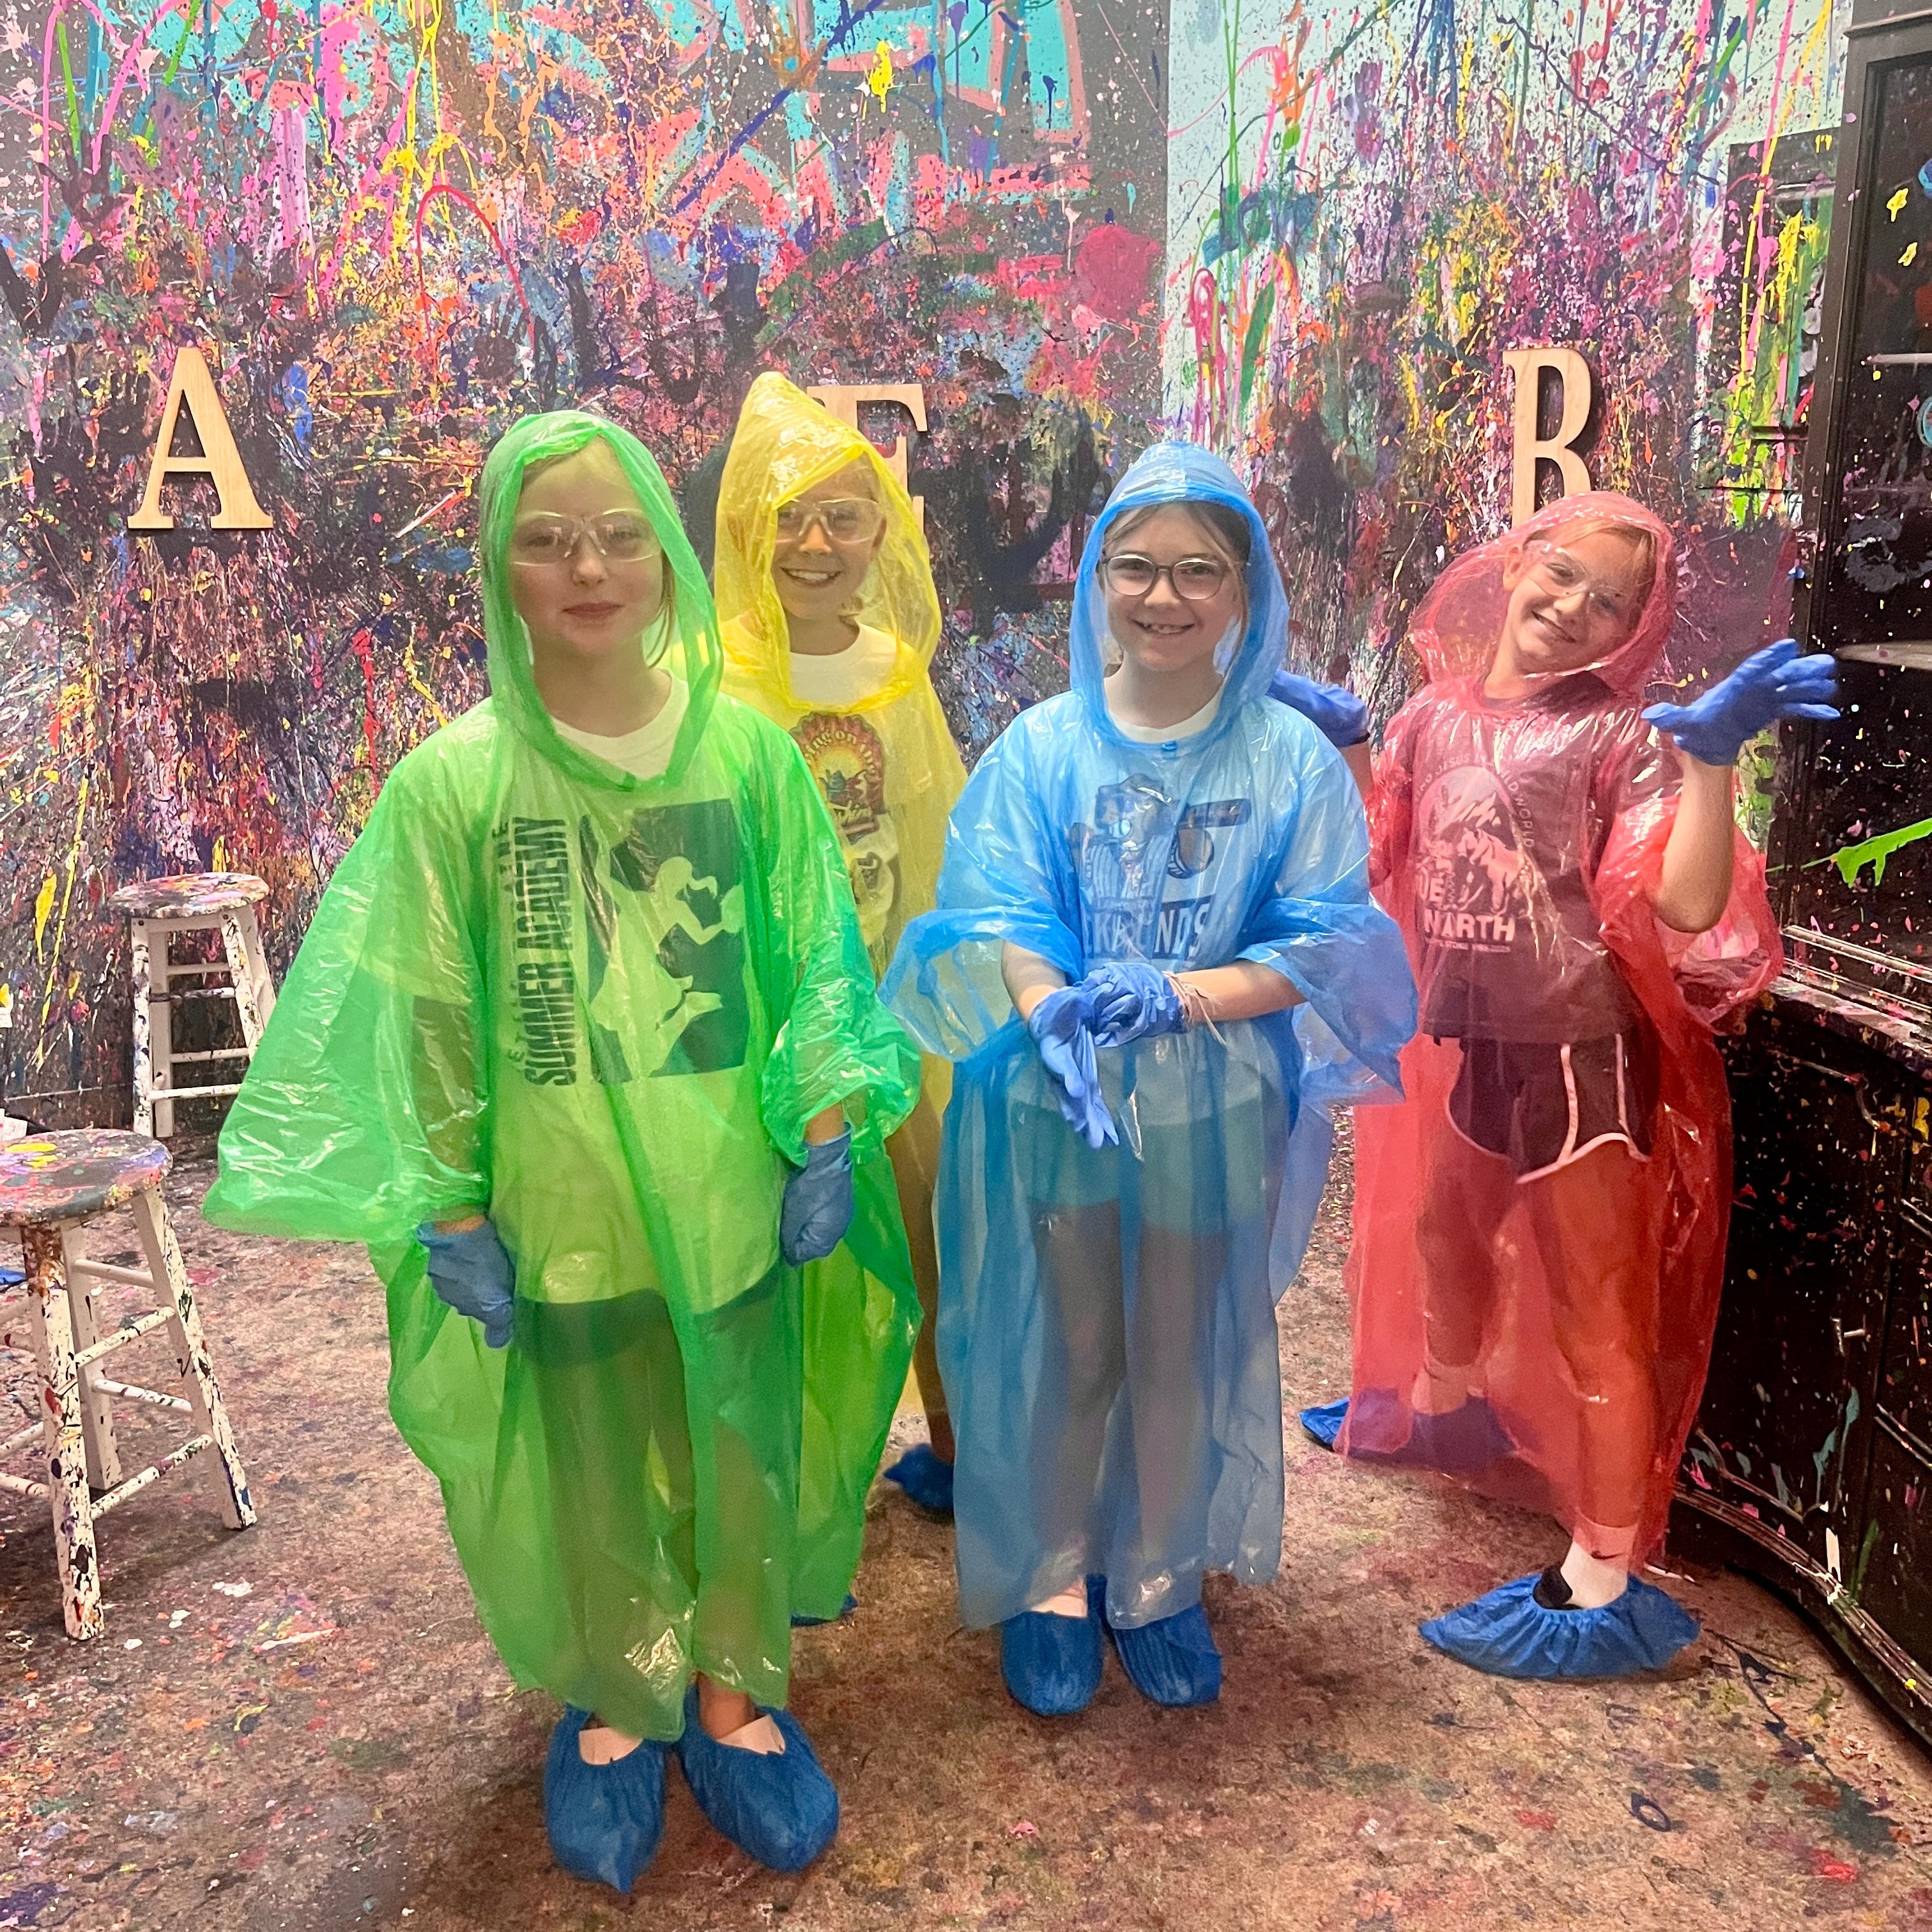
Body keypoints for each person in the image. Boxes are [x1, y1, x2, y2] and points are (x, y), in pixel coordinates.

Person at [203, 411, 921, 1889]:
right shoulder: (453, 787)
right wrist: (453, 1206)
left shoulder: (746, 756)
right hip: (563, 1210)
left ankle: (732, 1689)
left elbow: (813, 959)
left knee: (737, 1445)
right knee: (594, 1461)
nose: (588, 568)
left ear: (666, 557)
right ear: (497, 568)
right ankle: (617, 1693)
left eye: (616, 536)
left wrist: (824, 1133)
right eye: (546, 541)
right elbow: (433, 1017)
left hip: (730, 1195)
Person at [881, 442, 1414, 1715]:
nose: (1164, 596)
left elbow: (1326, 939)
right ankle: (1053, 1576)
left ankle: (1159, 1575)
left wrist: (1185, 995)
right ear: (1096, 579)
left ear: (1244, 590)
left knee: (1177, 1343)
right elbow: (1006, 906)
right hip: (1061, 1101)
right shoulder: (1041, 747)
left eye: (1198, 571)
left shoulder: (1285, 758)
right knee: (1074, 1346)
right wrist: (1049, 1009)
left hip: (1212, 1103)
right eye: (1136, 567)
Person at [1301, 491, 1837, 1678]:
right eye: (1562, 574)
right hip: (1476, 1043)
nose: (1573, 609)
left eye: (1611, 602)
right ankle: (1446, 1404)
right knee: (1446, 1231)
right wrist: (1351, 751)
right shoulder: (1434, 716)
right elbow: (1374, 857)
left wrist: (1707, 764)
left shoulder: (1617, 737)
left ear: (1633, 628)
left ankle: (1601, 1570)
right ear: (1516, 561)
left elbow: (1687, 904)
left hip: (1581, 1059)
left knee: (1598, 1311)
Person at [714, 373, 968, 1515]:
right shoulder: (709, 677)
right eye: (790, 517)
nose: (815, 545)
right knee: (776, 1259)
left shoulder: (895, 673)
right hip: (762, 1028)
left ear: (881, 534)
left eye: (844, 517)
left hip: (891, 1013)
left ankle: (960, 1452)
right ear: (748, 529)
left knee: (931, 1238)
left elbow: (933, 836)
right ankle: (794, 1502)